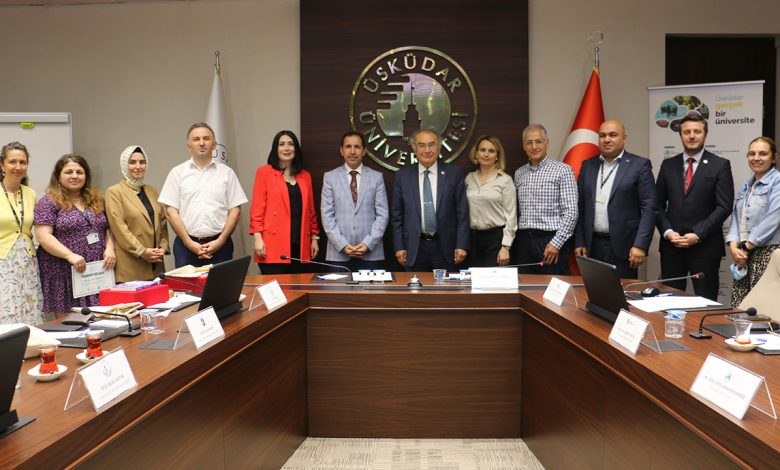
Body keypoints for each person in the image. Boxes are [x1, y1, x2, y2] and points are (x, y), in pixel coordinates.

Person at [656, 114, 734, 300]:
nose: (692, 136)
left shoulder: (720, 165)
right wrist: (668, 232)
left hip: (705, 248)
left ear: (705, 134)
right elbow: (657, 205)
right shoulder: (668, 165)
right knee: (670, 301)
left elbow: (724, 206)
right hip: (672, 247)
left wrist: (698, 234)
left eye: (697, 131)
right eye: (687, 132)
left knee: (705, 301)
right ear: (681, 135)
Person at [574, 120, 657, 278]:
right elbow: (580, 206)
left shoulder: (639, 165)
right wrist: (579, 240)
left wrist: (640, 245)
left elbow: (650, 208)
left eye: (612, 135)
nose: (607, 139)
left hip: (624, 247)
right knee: (594, 290)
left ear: (624, 138)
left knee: (623, 292)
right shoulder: (588, 165)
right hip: (592, 246)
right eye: (602, 135)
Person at [159, 122, 247, 268]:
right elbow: (170, 212)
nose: (201, 143)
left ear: (214, 144)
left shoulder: (227, 173)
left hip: (221, 247)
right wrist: (189, 242)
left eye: (206, 138)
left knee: (222, 284)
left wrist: (221, 241)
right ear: (189, 146)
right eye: (196, 139)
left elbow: (235, 211)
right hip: (185, 247)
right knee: (185, 284)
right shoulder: (177, 173)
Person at [34, 154, 116, 313]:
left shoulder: (97, 199)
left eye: (79, 172)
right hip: (63, 271)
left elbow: (105, 228)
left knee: (100, 317)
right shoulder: (48, 202)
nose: (74, 176)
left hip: (95, 270)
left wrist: (110, 248)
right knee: (69, 320)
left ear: (86, 176)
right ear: (58, 176)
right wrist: (70, 256)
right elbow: (43, 236)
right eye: (68, 172)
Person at [391, 128, 469, 272]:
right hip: (414, 248)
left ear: (439, 147)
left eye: (432, 145)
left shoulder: (453, 173)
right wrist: (399, 247)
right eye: (421, 145)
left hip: (446, 247)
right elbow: (397, 216)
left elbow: (462, 213)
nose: (427, 150)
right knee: (415, 286)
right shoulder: (402, 176)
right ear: (414, 148)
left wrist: (461, 245)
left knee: (445, 287)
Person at [250, 130, 320, 274]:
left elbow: (311, 212)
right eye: (281, 144)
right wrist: (258, 239)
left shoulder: (305, 176)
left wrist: (314, 238)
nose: (286, 148)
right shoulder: (264, 172)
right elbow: (257, 211)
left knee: (300, 287)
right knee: (276, 288)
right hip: (273, 245)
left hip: (301, 245)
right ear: (275, 149)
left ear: (296, 148)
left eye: (291, 144)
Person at [514, 124, 577, 274]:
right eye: (529, 142)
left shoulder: (562, 170)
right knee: (524, 285)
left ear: (547, 143)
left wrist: (556, 243)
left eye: (538, 141)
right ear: (524, 146)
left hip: (551, 240)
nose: (534, 146)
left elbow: (571, 212)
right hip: (524, 241)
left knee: (552, 286)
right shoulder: (519, 173)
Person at [321, 131, 388, 271]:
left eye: (357, 147)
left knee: (371, 287)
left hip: (370, 253)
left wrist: (368, 243)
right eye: (348, 146)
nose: (352, 151)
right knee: (338, 286)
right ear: (341, 150)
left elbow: (382, 215)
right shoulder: (330, 177)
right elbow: (327, 215)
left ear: (364, 151)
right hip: (338, 253)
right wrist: (342, 244)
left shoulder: (377, 177)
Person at [726, 137, 780, 307]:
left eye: (763, 154)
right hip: (744, 254)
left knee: (762, 309)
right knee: (740, 307)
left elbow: (774, 218)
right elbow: (736, 217)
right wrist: (734, 247)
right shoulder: (747, 185)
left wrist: (746, 247)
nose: (756, 158)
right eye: (752, 154)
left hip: (768, 253)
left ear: (774, 158)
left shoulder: (777, 182)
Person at [105, 145, 169, 282]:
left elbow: (162, 223)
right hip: (131, 263)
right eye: (132, 162)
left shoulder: (152, 191)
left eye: (142, 162)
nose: (138, 166)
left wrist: (163, 247)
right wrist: (142, 251)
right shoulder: (114, 192)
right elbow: (119, 228)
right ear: (124, 165)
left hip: (155, 262)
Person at [0, 142, 44, 324]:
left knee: (31, 312)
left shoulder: (30, 193)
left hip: (28, 262)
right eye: (12, 162)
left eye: (22, 162)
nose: (18, 167)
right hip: (3, 262)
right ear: (2, 165)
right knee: (7, 314)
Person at [464, 135, 517, 267]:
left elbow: (511, 217)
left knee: (491, 279)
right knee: (472, 278)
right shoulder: (469, 179)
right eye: (483, 150)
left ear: (497, 156)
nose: (486, 154)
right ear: (476, 153)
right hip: (472, 240)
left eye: (491, 151)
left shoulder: (505, 180)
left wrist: (505, 247)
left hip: (495, 240)